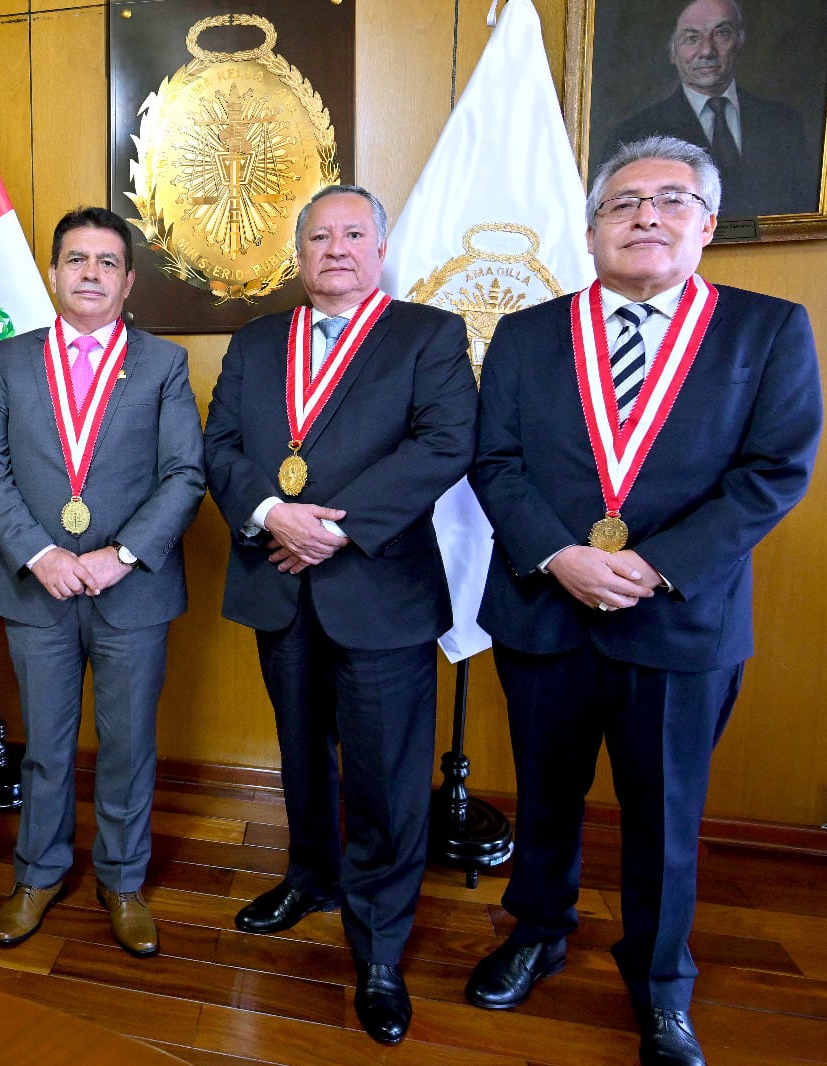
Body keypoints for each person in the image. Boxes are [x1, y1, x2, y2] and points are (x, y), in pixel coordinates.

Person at [465, 136, 823, 1066]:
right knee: (545, 792)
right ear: (590, 231)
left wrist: (653, 565)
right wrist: (558, 555)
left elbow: (774, 472)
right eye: (623, 204)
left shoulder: (767, 330)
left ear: (706, 224)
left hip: (680, 617)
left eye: (670, 201)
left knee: (665, 813)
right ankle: (537, 931)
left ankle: (661, 984)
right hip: (547, 608)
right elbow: (494, 462)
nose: (646, 217)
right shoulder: (528, 332)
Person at [201, 184, 478, 1046]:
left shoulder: (427, 336)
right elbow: (221, 449)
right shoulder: (255, 342)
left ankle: (380, 943)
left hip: (380, 591)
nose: (336, 248)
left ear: (380, 247)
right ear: (299, 254)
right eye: (319, 236)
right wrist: (269, 516)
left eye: (354, 233)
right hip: (278, 585)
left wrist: (328, 530)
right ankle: (311, 874)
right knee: (300, 753)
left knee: (388, 778)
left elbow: (443, 444)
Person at [0, 206, 205, 959]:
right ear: (53, 273)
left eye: (108, 262)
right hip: (38, 587)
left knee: (129, 742)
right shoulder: (9, 360)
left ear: (129, 279)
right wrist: (41, 554)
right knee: (45, 743)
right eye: (77, 260)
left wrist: (120, 556)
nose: (92, 274)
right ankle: (37, 874)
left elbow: (183, 475)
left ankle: (123, 879)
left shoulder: (163, 365)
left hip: (130, 590)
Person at [604, 0, 817, 219]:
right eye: (692, 38)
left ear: (740, 42)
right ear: (672, 51)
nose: (706, 50)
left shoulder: (784, 123)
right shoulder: (633, 135)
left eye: (721, 33)